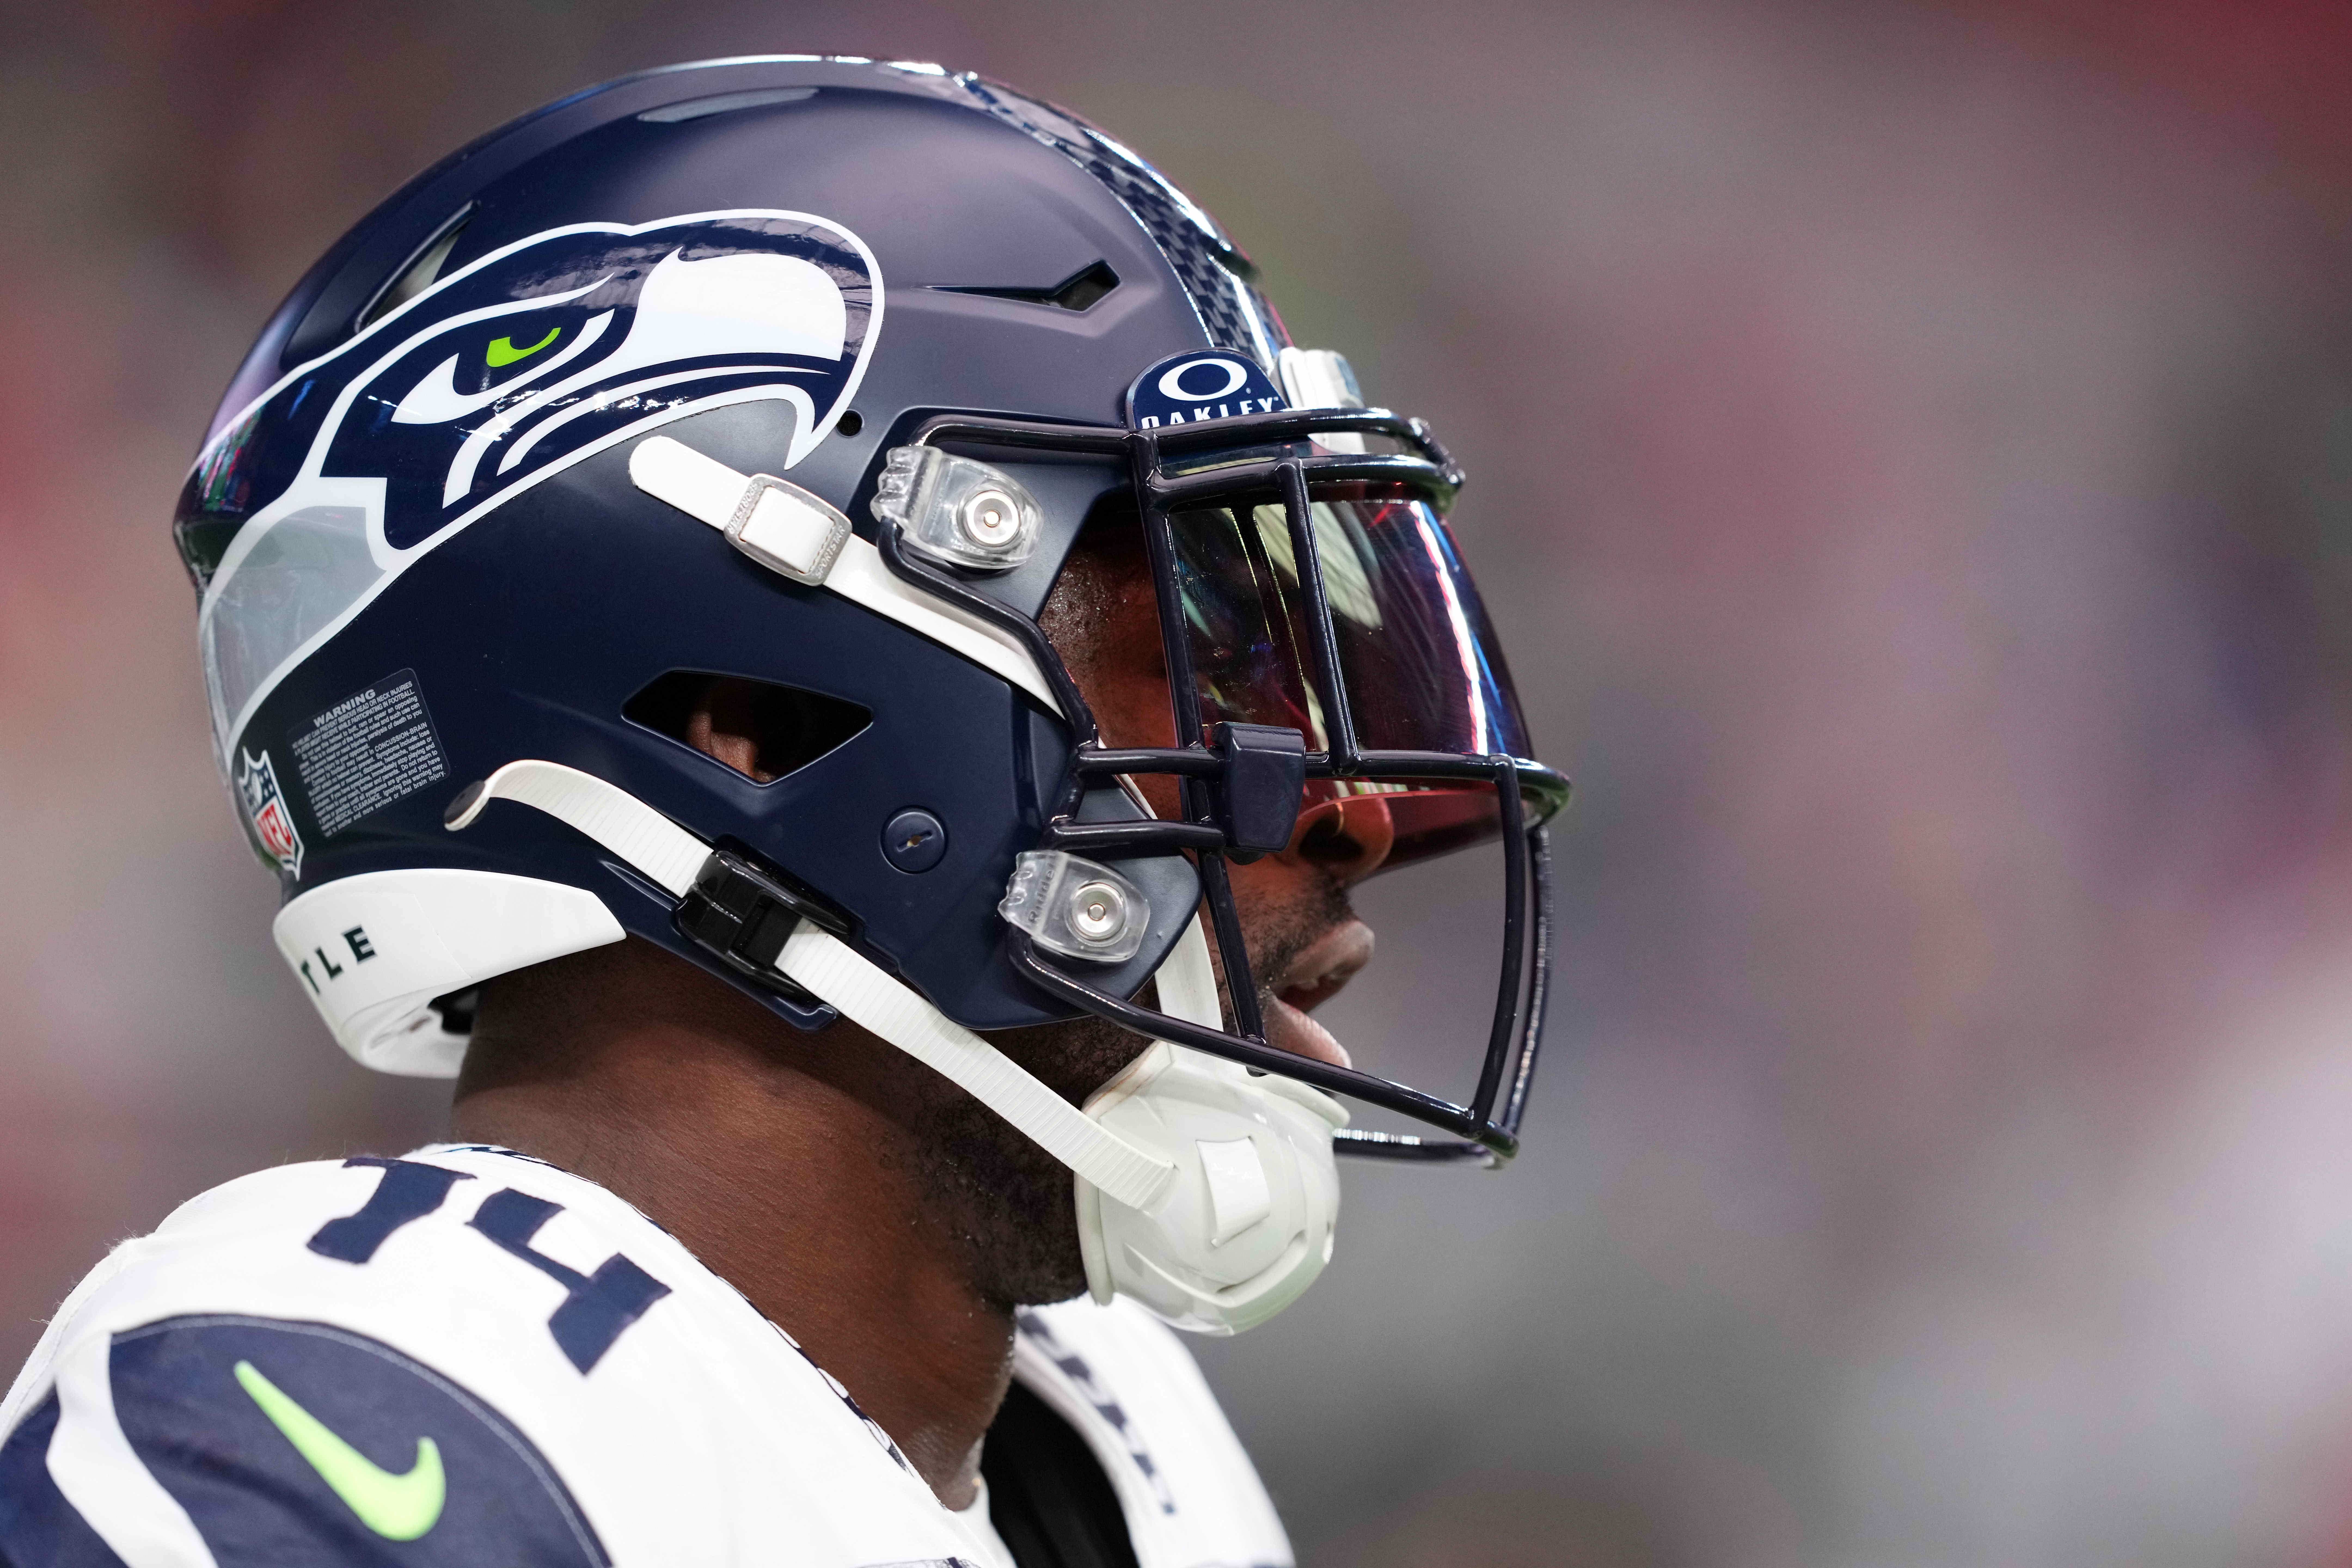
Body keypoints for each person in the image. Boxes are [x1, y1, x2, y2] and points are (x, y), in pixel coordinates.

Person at [0, 55, 1566, 1568]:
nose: (1351, 809)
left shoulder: (1129, 1453)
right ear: (748, 727)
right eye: (1207, 644)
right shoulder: (354, 1399)